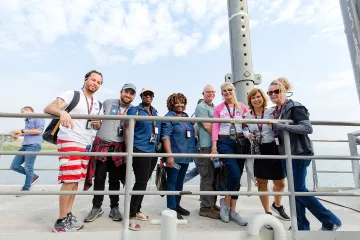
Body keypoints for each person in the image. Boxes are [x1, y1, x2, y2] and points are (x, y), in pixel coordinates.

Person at [268, 77, 342, 231]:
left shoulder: (295, 107)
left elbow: (307, 128)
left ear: (285, 91)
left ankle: (330, 220)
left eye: (276, 91)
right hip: (288, 154)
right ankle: (300, 226)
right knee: (295, 191)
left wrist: (281, 126)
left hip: (299, 153)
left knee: (298, 190)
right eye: (270, 92)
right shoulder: (279, 110)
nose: (273, 94)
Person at [44, 70, 103, 232]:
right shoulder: (72, 94)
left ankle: (68, 215)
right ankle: (60, 221)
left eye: (98, 82)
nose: (95, 84)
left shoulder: (97, 103)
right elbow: (49, 107)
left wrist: (97, 124)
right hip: (70, 139)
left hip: (86, 143)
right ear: (85, 79)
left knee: (75, 181)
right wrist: (62, 111)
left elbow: (95, 125)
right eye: (93, 80)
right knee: (69, 180)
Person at [83, 83, 136, 223]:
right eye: (126, 92)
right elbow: (97, 119)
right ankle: (96, 207)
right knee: (99, 178)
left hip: (119, 148)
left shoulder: (134, 110)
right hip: (102, 144)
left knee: (115, 180)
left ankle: (114, 207)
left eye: (131, 93)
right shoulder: (107, 103)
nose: (128, 95)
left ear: (134, 96)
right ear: (121, 91)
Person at [244, 88, 290, 229]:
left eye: (258, 97)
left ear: (263, 98)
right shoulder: (247, 115)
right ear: (250, 101)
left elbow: (281, 124)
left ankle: (277, 204)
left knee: (280, 183)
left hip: (274, 148)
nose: (256, 100)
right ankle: (267, 212)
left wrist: (274, 124)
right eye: (253, 98)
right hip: (258, 149)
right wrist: (247, 135)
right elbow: (244, 128)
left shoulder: (271, 111)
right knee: (262, 182)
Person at [211, 82, 248, 226]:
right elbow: (215, 127)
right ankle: (225, 203)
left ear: (234, 90)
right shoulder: (219, 108)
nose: (227, 92)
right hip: (225, 143)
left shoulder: (242, 106)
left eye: (229, 90)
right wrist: (214, 147)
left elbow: (246, 124)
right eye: (224, 91)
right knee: (234, 173)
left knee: (237, 176)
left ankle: (233, 211)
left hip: (240, 143)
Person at [126, 88, 159, 231]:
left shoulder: (155, 112)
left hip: (152, 150)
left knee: (144, 181)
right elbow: (128, 129)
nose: (148, 96)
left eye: (150, 94)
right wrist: (129, 150)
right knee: (140, 181)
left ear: (153, 97)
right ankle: (130, 215)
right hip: (139, 149)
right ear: (141, 96)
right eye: (145, 94)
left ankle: (137, 210)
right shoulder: (135, 110)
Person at [161, 93, 196, 219]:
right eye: (177, 102)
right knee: (172, 181)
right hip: (174, 155)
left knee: (180, 182)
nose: (180, 105)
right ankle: (171, 208)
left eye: (182, 102)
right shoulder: (168, 117)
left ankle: (177, 204)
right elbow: (165, 136)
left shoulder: (186, 117)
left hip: (186, 155)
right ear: (171, 104)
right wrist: (169, 155)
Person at [193, 85, 221, 219]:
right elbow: (208, 126)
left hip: (214, 147)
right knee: (207, 178)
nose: (210, 93)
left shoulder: (214, 108)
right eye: (208, 92)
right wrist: (221, 137)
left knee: (215, 178)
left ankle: (212, 204)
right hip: (206, 146)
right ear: (203, 93)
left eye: (213, 92)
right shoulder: (201, 107)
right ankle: (205, 208)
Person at [10, 106, 44, 195]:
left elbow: (38, 131)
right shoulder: (27, 120)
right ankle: (34, 176)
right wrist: (20, 134)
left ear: (29, 110)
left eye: (23, 112)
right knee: (14, 166)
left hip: (33, 145)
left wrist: (22, 130)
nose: (22, 114)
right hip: (25, 145)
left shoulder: (38, 117)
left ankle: (26, 187)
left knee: (28, 167)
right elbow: (28, 132)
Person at [183, 98, 204, 184]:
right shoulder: (196, 116)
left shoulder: (194, 115)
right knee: (200, 168)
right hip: (196, 145)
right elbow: (194, 130)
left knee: (200, 169)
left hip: (199, 144)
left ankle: (180, 181)